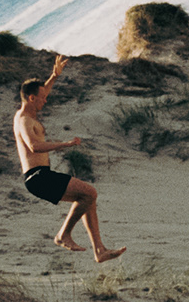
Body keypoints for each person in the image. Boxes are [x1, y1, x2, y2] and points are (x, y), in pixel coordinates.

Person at [13, 55, 124, 263]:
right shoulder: (24, 120)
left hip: (41, 175)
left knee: (87, 197)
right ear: (31, 98)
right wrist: (65, 144)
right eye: (42, 98)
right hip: (37, 177)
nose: (46, 100)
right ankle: (63, 235)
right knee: (89, 193)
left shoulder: (27, 111)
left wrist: (54, 76)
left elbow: (43, 91)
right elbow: (34, 146)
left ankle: (99, 250)